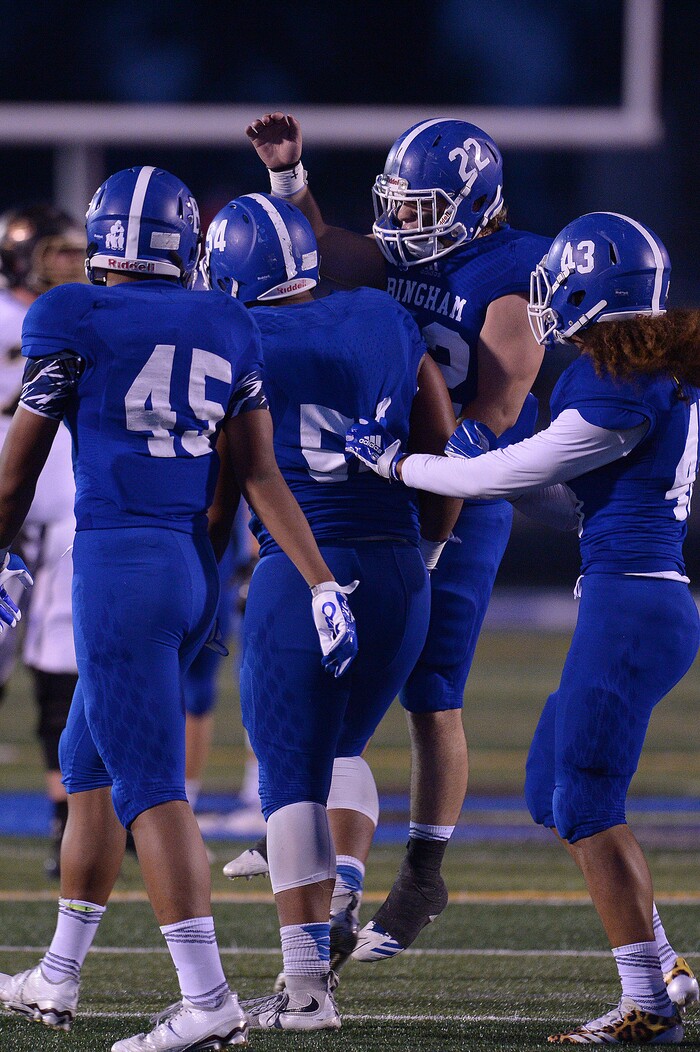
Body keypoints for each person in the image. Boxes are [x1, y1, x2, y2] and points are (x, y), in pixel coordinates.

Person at [0, 165, 358, 1052]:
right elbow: (260, 473)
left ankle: (207, 1000)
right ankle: (59, 971)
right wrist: (318, 581)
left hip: (119, 568)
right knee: (88, 770)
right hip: (191, 569)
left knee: (152, 791)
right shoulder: (226, 321)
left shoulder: (70, 314)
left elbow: (17, 467)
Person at [346, 211, 700, 1043]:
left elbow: (513, 467)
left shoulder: (620, 384)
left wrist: (401, 463)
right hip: (629, 598)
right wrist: (465, 468)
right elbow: (551, 491)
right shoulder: (638, 375)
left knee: (583, 800)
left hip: (636, 605)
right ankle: (663, 969)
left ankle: (646, 1002)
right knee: (549, 785)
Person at [228, 111, 550, 960]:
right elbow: (313, 252)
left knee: (430, 690)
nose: (404, 223)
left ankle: (422, 871)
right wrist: (289, 181)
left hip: (459, 492)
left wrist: (428, 484)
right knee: (340, 689)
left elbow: (498, 408)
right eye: (398, 206)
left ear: (476, 204)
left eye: (423, 208)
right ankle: (328, 865)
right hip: (379, 485)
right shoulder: (391, 259)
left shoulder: (511, 273)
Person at [201, 192, 460, 1029]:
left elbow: (227, 481)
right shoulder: (382, 315)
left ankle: (306, 986)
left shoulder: (238, 336)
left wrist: (203, 573)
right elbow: (438, 434)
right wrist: (425, 550)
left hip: (304, 568)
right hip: (397, 566)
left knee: (288, 782)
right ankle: (338, 881)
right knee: (341, 747)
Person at [0, 204, 86, 878]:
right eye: (55, 252)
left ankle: (67, 818)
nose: (70, 263)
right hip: (6, 514)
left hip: (62, 516)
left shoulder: (87, 315)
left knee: (62, 672)